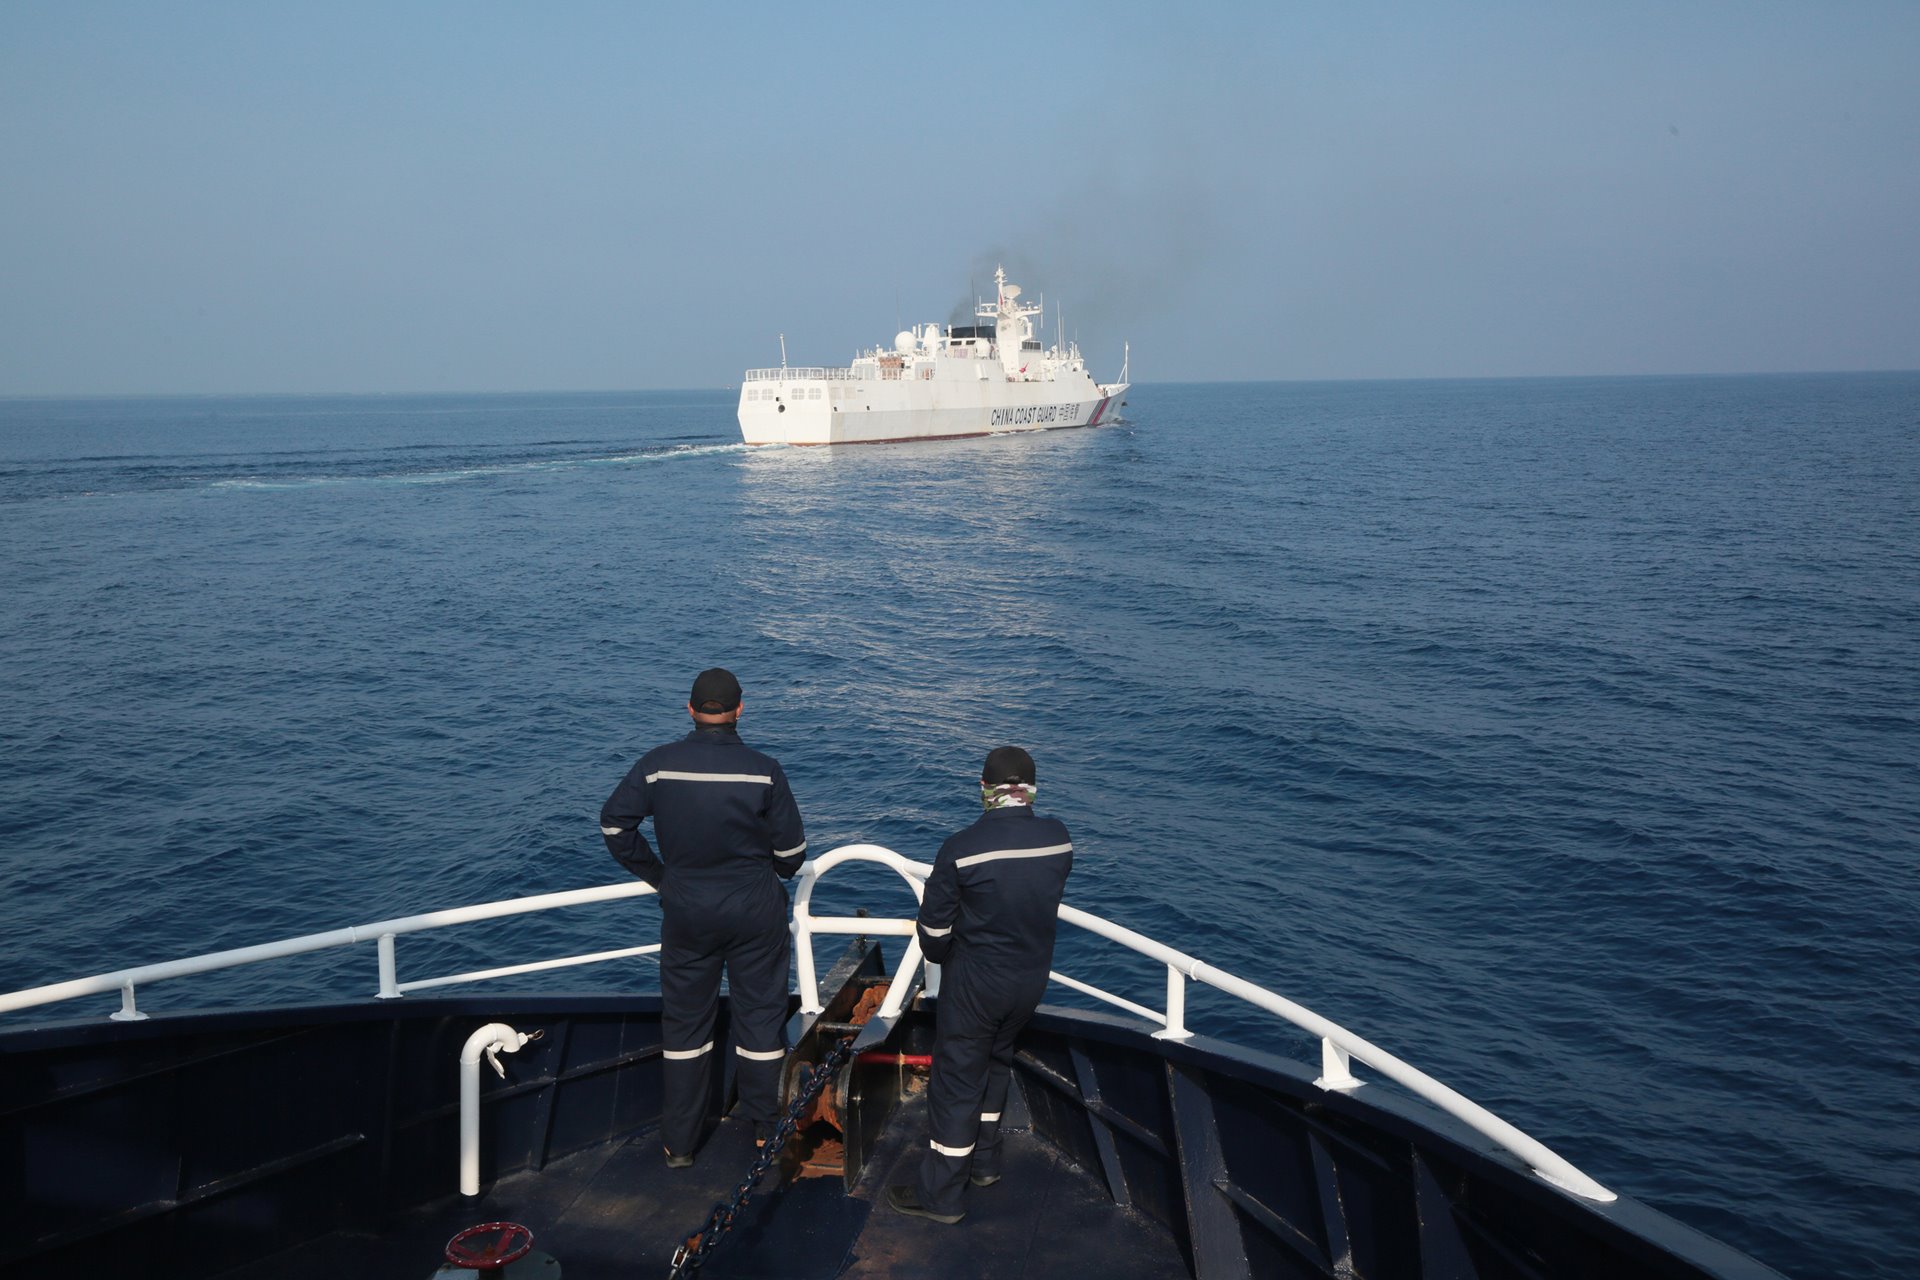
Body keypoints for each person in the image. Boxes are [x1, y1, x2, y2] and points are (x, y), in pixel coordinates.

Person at [599, 668, 807, 1167]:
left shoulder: (658, 766)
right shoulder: (764, 770)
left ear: (691, 710)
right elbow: (793, 854)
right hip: (754, 910)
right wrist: (766, 870)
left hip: (688, 910)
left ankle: (680, 1143)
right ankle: (764, 1130)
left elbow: (614, 825)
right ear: (739, 710)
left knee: (687, 1027)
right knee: (760, 1019)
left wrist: (660, 876)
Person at [888, 746, 1073, 1224]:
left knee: (956, 1083)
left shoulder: (961, 848)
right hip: (1029, 981)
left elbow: (932, 934)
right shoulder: (1058, 840)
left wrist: (954, 959)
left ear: (984, 789)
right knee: (996, 1062)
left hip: (976, 985)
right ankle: (985, 1165)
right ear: (1031, 789)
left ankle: (941, 1197)